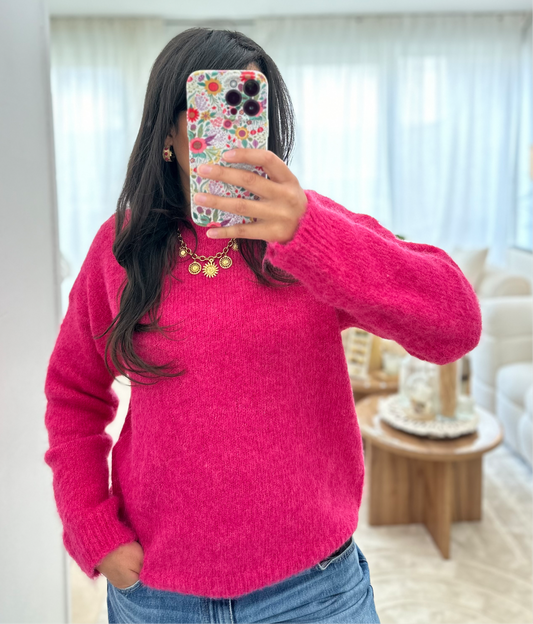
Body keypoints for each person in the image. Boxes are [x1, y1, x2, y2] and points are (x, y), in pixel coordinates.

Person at [43, 27, 482, 624]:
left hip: (315, 594)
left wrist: (312, 234)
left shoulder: (307, 230)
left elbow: (455, 324)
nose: (232, 132)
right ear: (168, 133)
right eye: (211, 111)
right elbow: (73, 391)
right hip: (159, 597)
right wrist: (91, 526)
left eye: (250, 110)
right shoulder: (121, 248)